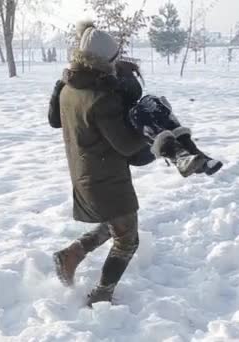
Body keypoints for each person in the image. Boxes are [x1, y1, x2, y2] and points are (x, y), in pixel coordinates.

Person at [50, 21, 148, 307]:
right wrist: (151, 134)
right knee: (127, 239)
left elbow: (57, 121)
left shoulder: (70, 87)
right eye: (116, 57)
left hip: (86, 172)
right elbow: (126, 145)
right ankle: (102, 294)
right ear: (105, 60)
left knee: (113, 224)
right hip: (105, 178)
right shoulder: (101, 98)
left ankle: (71, 254)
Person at [49, 53, 223, 178]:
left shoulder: (108, 84)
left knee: (152, 103)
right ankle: (181, 155)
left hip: (137, 146)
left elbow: (132, 95)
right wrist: (57, 92)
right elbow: (55, 121)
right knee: (146, 106)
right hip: (135, 152)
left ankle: (191, 154)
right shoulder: (96, 95)